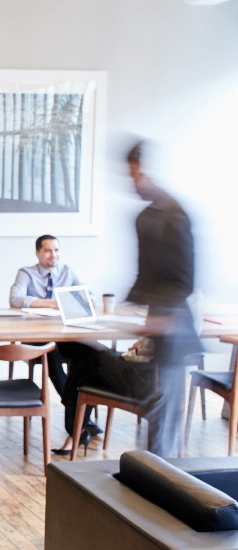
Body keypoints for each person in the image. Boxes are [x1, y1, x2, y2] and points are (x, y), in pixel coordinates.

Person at [124, 140, 201, 457]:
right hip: (156, 323)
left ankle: (161, 478)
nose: (134, 183)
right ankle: (152, 473)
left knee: (165, 409)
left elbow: (185, 280)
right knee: (155, 406)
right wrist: (136, 309)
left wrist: (162, 317)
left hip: (175, 326)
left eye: (136, 174)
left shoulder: (176, 216)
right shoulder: (143, 218)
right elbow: (144, 274)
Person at [9, 235, 96, 412]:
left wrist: (84, 300)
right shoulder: (26, 273)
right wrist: (51, 302)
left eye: (56, 250)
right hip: (35, 337)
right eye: (48, 250)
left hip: (63, 336)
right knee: (50, 349)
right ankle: (74, 406)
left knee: (89, 350)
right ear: (37, 253)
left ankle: (83, 406)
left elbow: (89, 296)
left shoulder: (67, 272)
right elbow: (15, 299)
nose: (53, 255)